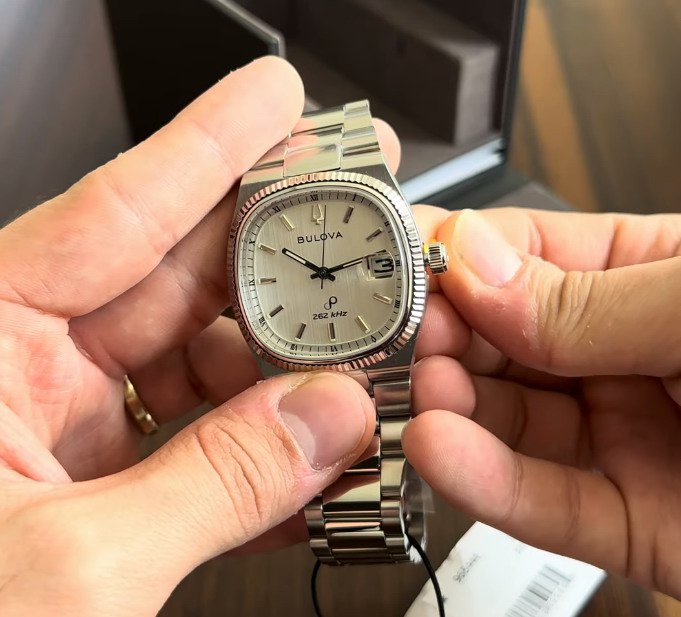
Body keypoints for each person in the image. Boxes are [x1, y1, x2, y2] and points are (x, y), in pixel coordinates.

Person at [0, 56, 678, 615]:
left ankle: (384, 523)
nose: (323, 274)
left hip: (351, 337)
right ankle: (375, 527)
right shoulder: (263, 276)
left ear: (421, 264)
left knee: (427, 409)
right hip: (296, 346)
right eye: (311, 270)